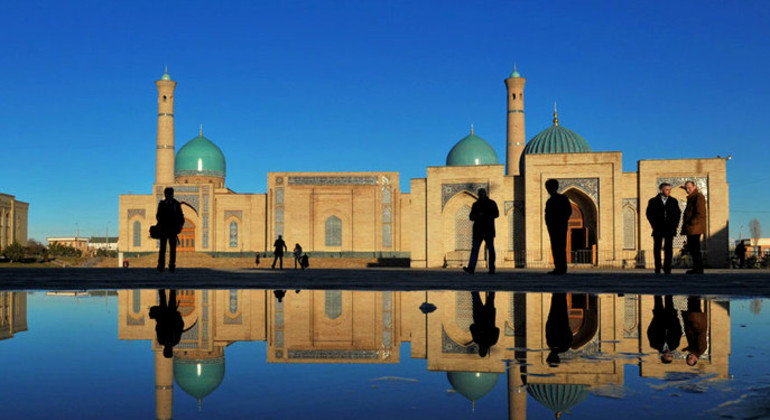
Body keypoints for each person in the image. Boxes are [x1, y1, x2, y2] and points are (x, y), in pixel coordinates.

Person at [646, 183, 682, 274]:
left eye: (670, 189)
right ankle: (657, 268)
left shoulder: (673, 201)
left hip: (669, 229)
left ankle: (667, 268)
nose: (669, 191)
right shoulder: (653, 201)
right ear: (661, 190)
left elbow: (677, 214)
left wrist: (675, 226)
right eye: (667, 189)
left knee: (668, 249)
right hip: (658, 228)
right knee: (657, 248)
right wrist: (654, 225)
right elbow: (649, 214)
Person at [462, 188, 499, 275]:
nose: (481, 195)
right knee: (476, 249)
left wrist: (484, 215)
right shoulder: (476, 204)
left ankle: (491, 268)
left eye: (482, 193)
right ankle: (471, 268)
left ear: (485, 194)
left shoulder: (491, 203)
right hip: (479, 231)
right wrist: (478, 215)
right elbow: (471, 217)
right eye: (480, 193)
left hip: (487, 230)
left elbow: (496, 214)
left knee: (490, 249)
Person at [544, 179, 572, 275]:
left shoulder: (561, 199)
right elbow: (547, 215)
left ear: (555, 188)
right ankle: (559, 267)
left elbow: (568, 211)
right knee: (556, 247)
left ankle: (561, 268)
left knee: (559, 247)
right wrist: (549, 225)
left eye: (550, 188)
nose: (549, 190)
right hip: (554, 227)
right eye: (547, 188)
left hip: (559, 226)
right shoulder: (550, 201)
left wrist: (561, 220)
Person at [156, 187, 185, 273]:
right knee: (162, 248)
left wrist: (178, 226)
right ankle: (161, 265)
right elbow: (158, 215)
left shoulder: (176, 204)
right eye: (167, 194)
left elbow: (181, 217)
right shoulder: (162, 203)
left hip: (172, 229)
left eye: (169, 194)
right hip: (164, 229)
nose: (168, 195)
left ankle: (171, 265)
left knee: (172, 249)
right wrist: (162, 221)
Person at [646, 295, 682, 364]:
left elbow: (650, 332)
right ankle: (668, 286)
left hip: (659, 319)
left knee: (658, 300)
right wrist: (676, 320)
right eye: (671, 356)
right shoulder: (675, 345)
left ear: (662, 355)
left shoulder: (654, 344)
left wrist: (654, 322)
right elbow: (678, 332)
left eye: (668, 356)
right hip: (670, 319)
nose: (670, 354)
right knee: (669, 300)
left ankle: (657, 287)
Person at [149, 289, 184, 359]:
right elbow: (179, 328)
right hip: (169, 316)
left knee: (166, 298)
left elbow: (158, 329)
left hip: (166, 316)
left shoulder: (168, 341)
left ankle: (165, 285)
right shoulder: (167, 341)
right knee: (167, 298)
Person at [681, 181, 707, 274]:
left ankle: (698, 269)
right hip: (692, 228)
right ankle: (697, 268)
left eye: (689, 187)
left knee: (695, 248)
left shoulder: (698, 197)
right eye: (686, 188)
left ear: (695, 187)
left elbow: (700, 213)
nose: (688, 190)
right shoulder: (692, 197)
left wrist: (692, 222)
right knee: (693, 248)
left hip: (695, 227)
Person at [545, 293, 573, 367]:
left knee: (559, 303)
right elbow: (548, 330)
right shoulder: (553, 345)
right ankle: (559, 292)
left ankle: (560, 293)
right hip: (558, 321)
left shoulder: (563, 347)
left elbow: (570, 335)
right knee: (557, 303)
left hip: (559, 321)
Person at [469, 292, 500, 357]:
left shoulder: (492, 341)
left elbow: (497, 330)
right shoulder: (477, 339)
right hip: (478, 315)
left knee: (491, 297)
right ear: (479, 350)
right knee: (475, 296)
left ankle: (492, 284)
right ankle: (473, 283)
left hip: (489, 317)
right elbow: (472, 327)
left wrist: (490, 328)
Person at [682, 296, 707, 366]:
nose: (689, 356)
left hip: (693, 321)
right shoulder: (700, 350)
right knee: (694, 304)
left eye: (688, 358)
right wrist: (694, 325)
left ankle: (693, 292)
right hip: (696, 322)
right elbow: (701, 334)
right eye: (691, 358)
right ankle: (695, 291)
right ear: (696, 359)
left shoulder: (693, 349)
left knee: (691, 303)